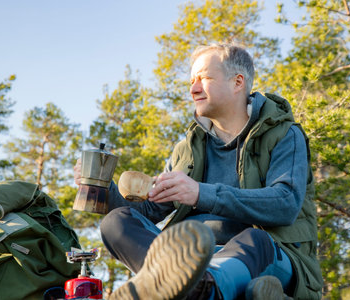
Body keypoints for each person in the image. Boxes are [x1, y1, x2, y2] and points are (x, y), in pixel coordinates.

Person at [74, 43, 323, 300]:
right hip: (187, 258)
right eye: (192, 81)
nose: (193, 89)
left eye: (203, 78)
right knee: (117, 222)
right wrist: (102, 189)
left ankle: (199, 288)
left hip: (266, 253)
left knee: (255, 240)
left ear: (238, 82)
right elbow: (149, 212)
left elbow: (285, 203)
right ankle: (184, 284)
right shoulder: (188, 148)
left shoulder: (283, 134)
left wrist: (200, 193)